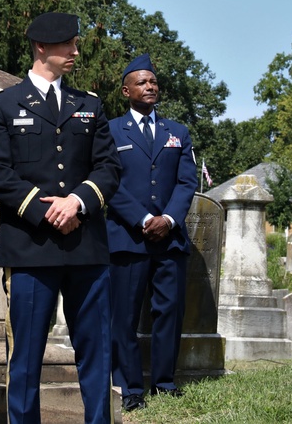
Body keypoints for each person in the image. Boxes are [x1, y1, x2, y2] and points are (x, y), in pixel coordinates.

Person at [0, 12, 121, 424]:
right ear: (42, 48)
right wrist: (49, 210)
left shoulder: (89, 105)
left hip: (86, 247)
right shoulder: (2, 104)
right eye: (67, 45)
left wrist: (76, 202)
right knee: (25, 357)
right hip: (30, 249)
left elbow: (108, 168)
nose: (76, 51)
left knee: (96, 352)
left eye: (75, 44)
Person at [106, 53, 198, 412]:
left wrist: (169, 220)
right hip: (128, 239)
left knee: (169, 312)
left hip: (170, 240)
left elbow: (186, 182)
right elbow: (109, 183)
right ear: (126, 89)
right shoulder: (111, 130)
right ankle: (130, 387)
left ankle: (163, 382)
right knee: (124, 317)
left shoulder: (178, 132)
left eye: (154, 82)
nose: (150, 87)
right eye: (142, 82)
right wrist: (144, 219)